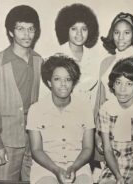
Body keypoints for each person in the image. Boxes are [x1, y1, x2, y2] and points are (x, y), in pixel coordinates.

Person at [0, 5, 42, 181]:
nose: (26, 34)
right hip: (7, 142)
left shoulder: (39, 61)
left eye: (31, 29)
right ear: (11, 32)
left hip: (34, 142)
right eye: (20, 29)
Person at [27, 55, 95, 184]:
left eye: (68, 79)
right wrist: (56, 169)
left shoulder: (85, 107)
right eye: (57, 79)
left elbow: (87, 148)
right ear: (49, 82)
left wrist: (74, 167)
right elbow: (36, 150)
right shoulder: (36, 110)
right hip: (46, 167)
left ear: (73, 82)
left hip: (78, 166)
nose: (63, 84)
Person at [94, 11, 133, 161]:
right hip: (107, 124)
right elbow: (100, 100)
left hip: (131, 126)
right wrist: (98, 132)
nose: (121, 37)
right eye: (117, 32)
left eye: (126, 33)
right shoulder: (106, 62)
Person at [54, 3, 99, 108]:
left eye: (84, 29)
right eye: (74, 29)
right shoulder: (56, 57)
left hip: (88, 116)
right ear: (66, 30)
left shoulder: (95, 58)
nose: (79, 34)